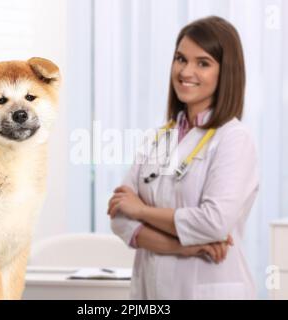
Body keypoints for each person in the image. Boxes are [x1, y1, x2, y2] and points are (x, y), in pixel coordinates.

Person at [107, 16, 259, 300]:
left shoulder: (234, 138)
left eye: (203, 63)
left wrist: (141, 211)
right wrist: (182, 246)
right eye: (180, 59)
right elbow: (119, 217)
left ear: (225, 73)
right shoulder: (159, 137)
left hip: (207, 288)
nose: (186, 71)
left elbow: (213, 223)